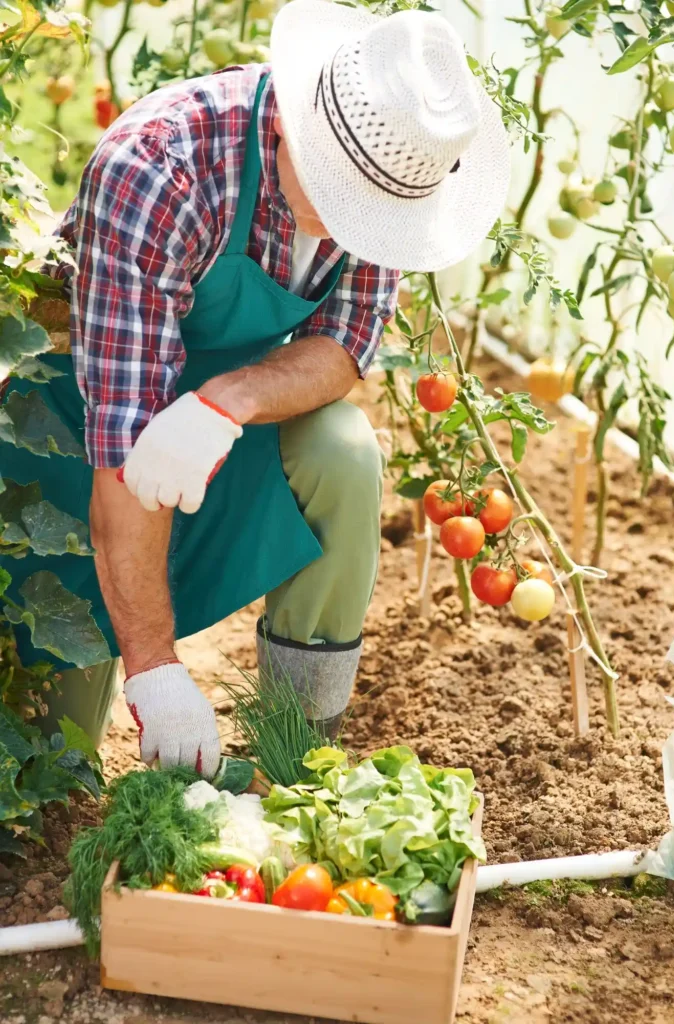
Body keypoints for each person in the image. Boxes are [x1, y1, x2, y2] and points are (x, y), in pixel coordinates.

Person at [4, 0, 510, 778]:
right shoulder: (159, 168)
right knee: (61, 755)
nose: (358, 232)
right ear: (289, 126)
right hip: (79, 431)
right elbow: (124, 437)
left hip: (212, 427)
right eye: (345, 203)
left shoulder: (391, 165)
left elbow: (345, 345)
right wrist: (155, 672)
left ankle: (298, 749)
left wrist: (227, 400)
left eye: (378, 215)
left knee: (343, 451)